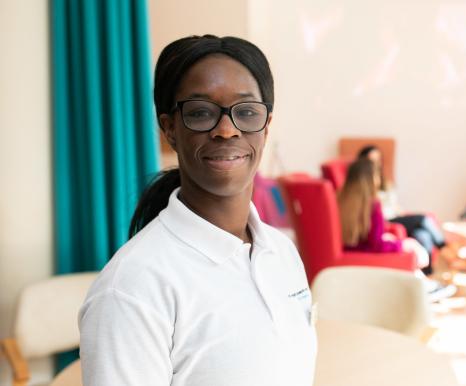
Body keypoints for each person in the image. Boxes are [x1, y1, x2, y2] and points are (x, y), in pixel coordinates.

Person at [78, 35, 316, 385]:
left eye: (247, 112)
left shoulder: (281, 253)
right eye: (201, 113)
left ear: (265, 126)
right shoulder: (131, 288)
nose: (226, 129)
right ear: (169, 128)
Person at [338, 158, 456, 300]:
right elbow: (377, 245)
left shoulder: (339, 200)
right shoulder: (372, 205)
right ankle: (425, 287)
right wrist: (402, 244)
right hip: (368, 254)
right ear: (371, 178)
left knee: (418, 234)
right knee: (413, 240)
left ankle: (426, 285)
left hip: (349, 252)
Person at [356, 145, 448, 275]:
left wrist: (403, 213)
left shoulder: (385, 182)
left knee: (422, 234)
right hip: (387, 219)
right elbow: (376, 241)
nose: (376, 164)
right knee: (424, 219)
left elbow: (394, 205)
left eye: (378, 159)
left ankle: (427, 275)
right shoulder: (367, 194)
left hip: (396, 215)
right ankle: (446, 249)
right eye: (372, 160)